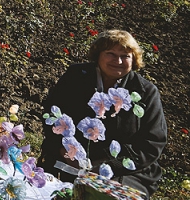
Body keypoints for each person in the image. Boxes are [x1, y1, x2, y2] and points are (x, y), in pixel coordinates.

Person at [40, 30, 166, 198]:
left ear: (134, 59)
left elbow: (152, 142)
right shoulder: (75, 77)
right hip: (70, 158)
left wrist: (108, 165)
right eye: (111, 54)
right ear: (98, 55)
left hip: (126, 170)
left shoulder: (146, 92)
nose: (118, 61)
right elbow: (52, 113)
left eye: (125, 56)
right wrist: (63, 148)